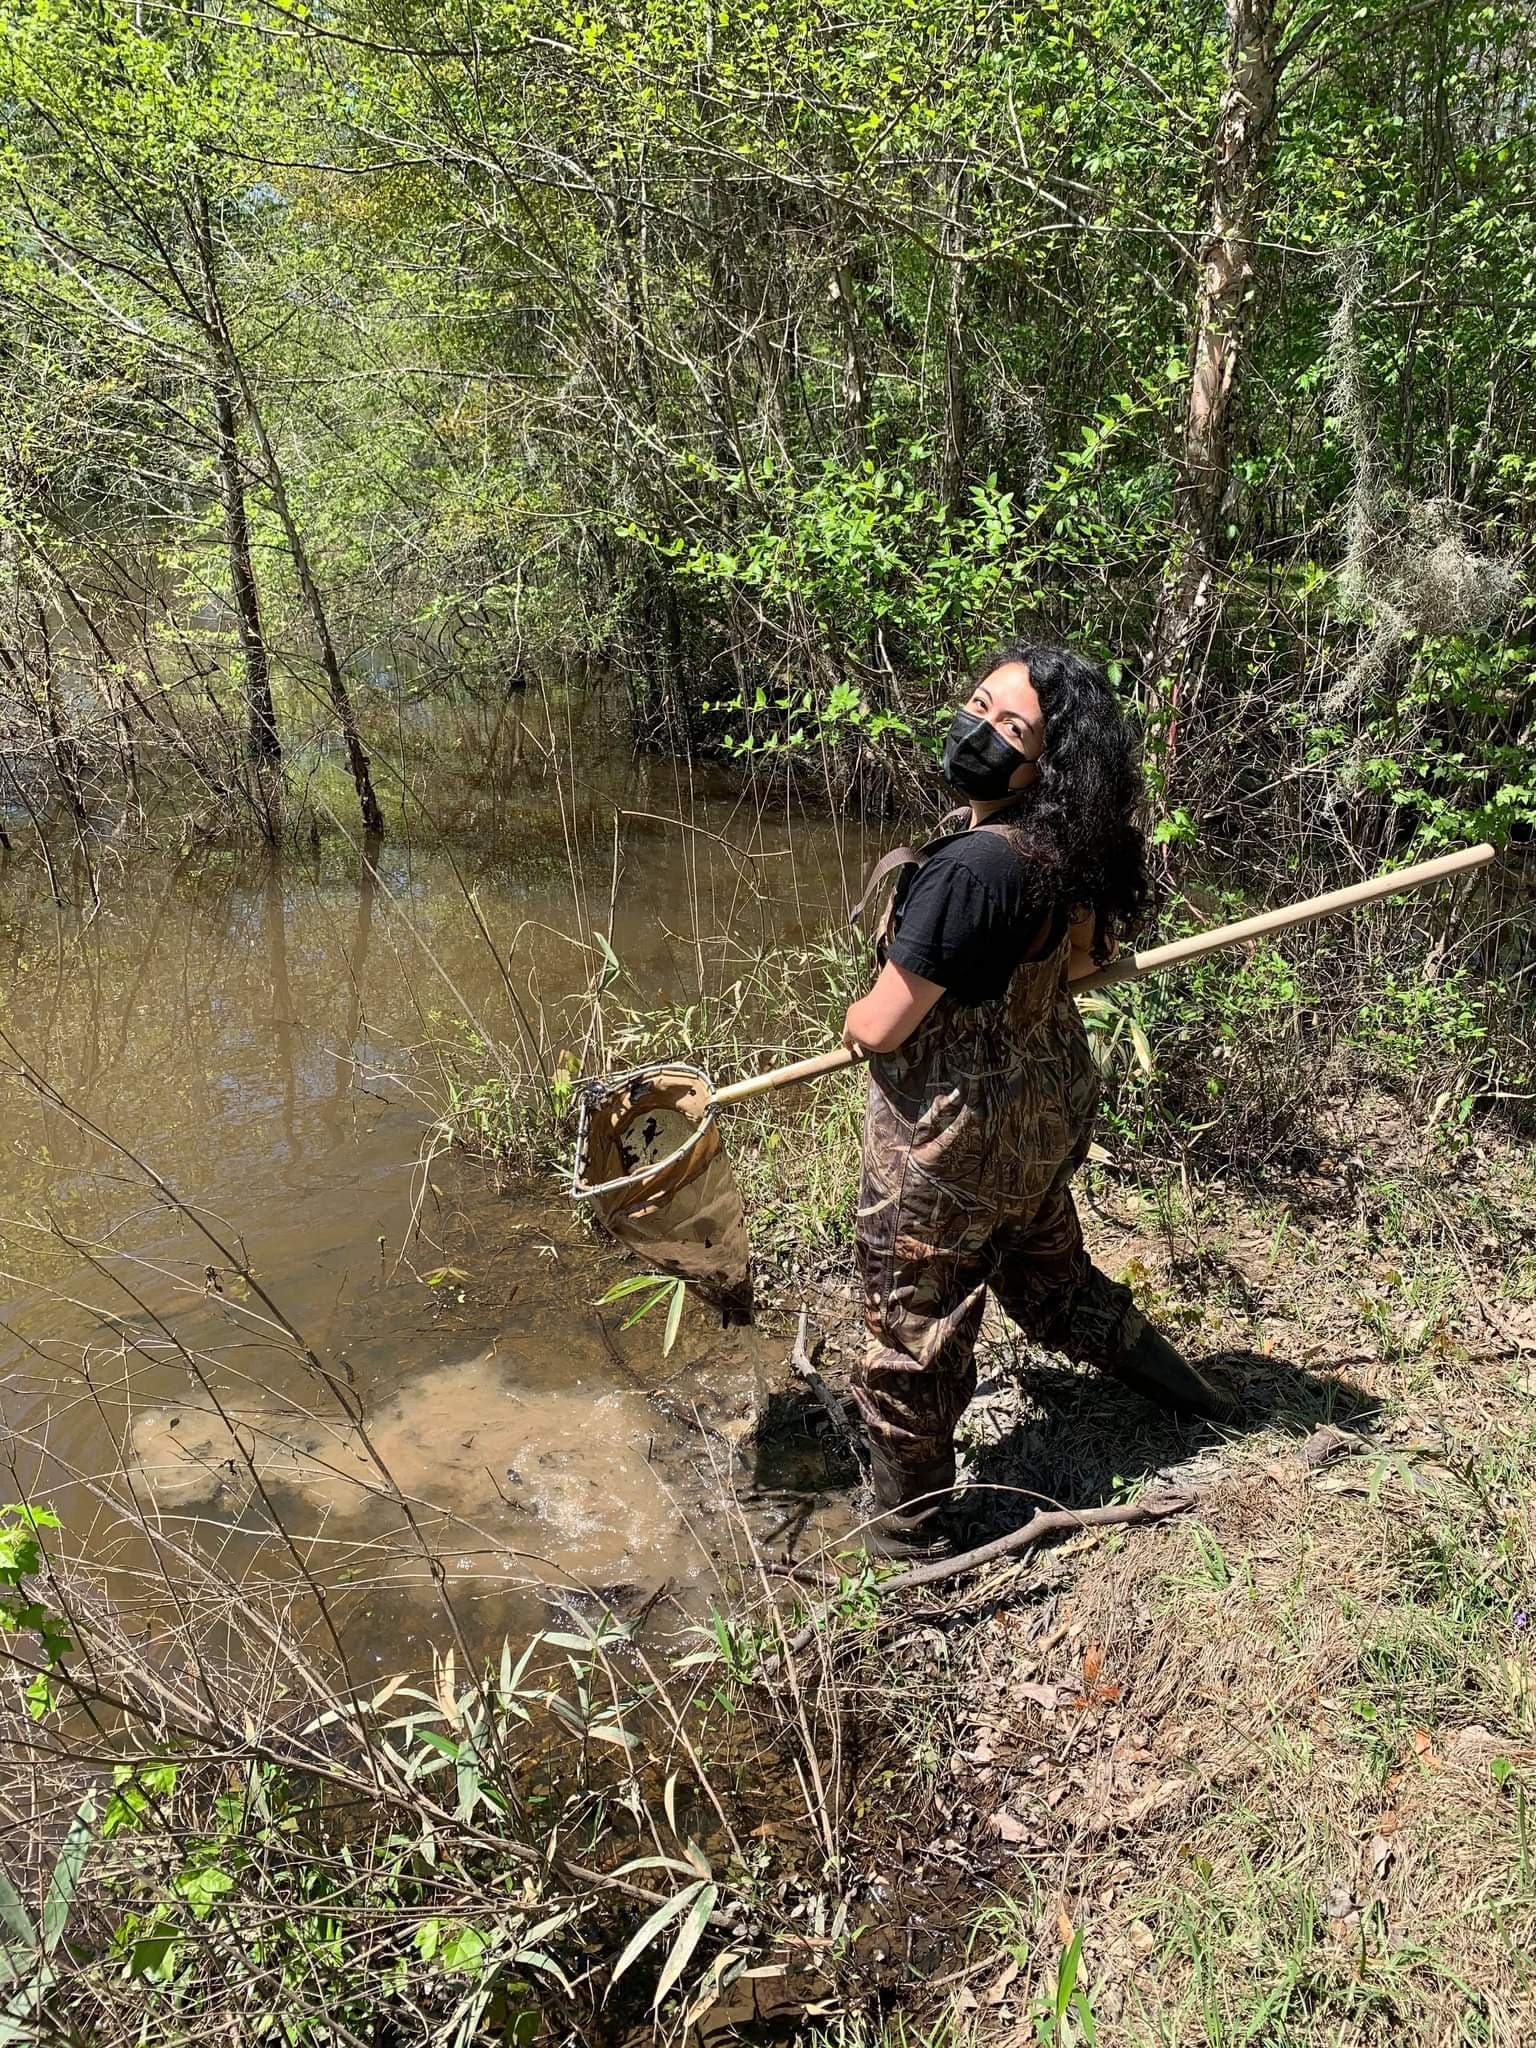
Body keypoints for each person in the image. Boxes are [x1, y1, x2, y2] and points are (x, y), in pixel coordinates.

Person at [841, 641, 1233, 1559]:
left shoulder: (973, 869)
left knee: (911, 1333)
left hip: (949, 1150)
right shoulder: (1059, 851)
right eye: (980, 704)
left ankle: (905, 1545)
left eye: (1009, 726)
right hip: (1040, 1124)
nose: (977, 727)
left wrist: (855, 1019)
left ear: (1044, 763)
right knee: (1052, 1279)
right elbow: (1088, 962)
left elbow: (883, 1027)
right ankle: (1204, 1402)